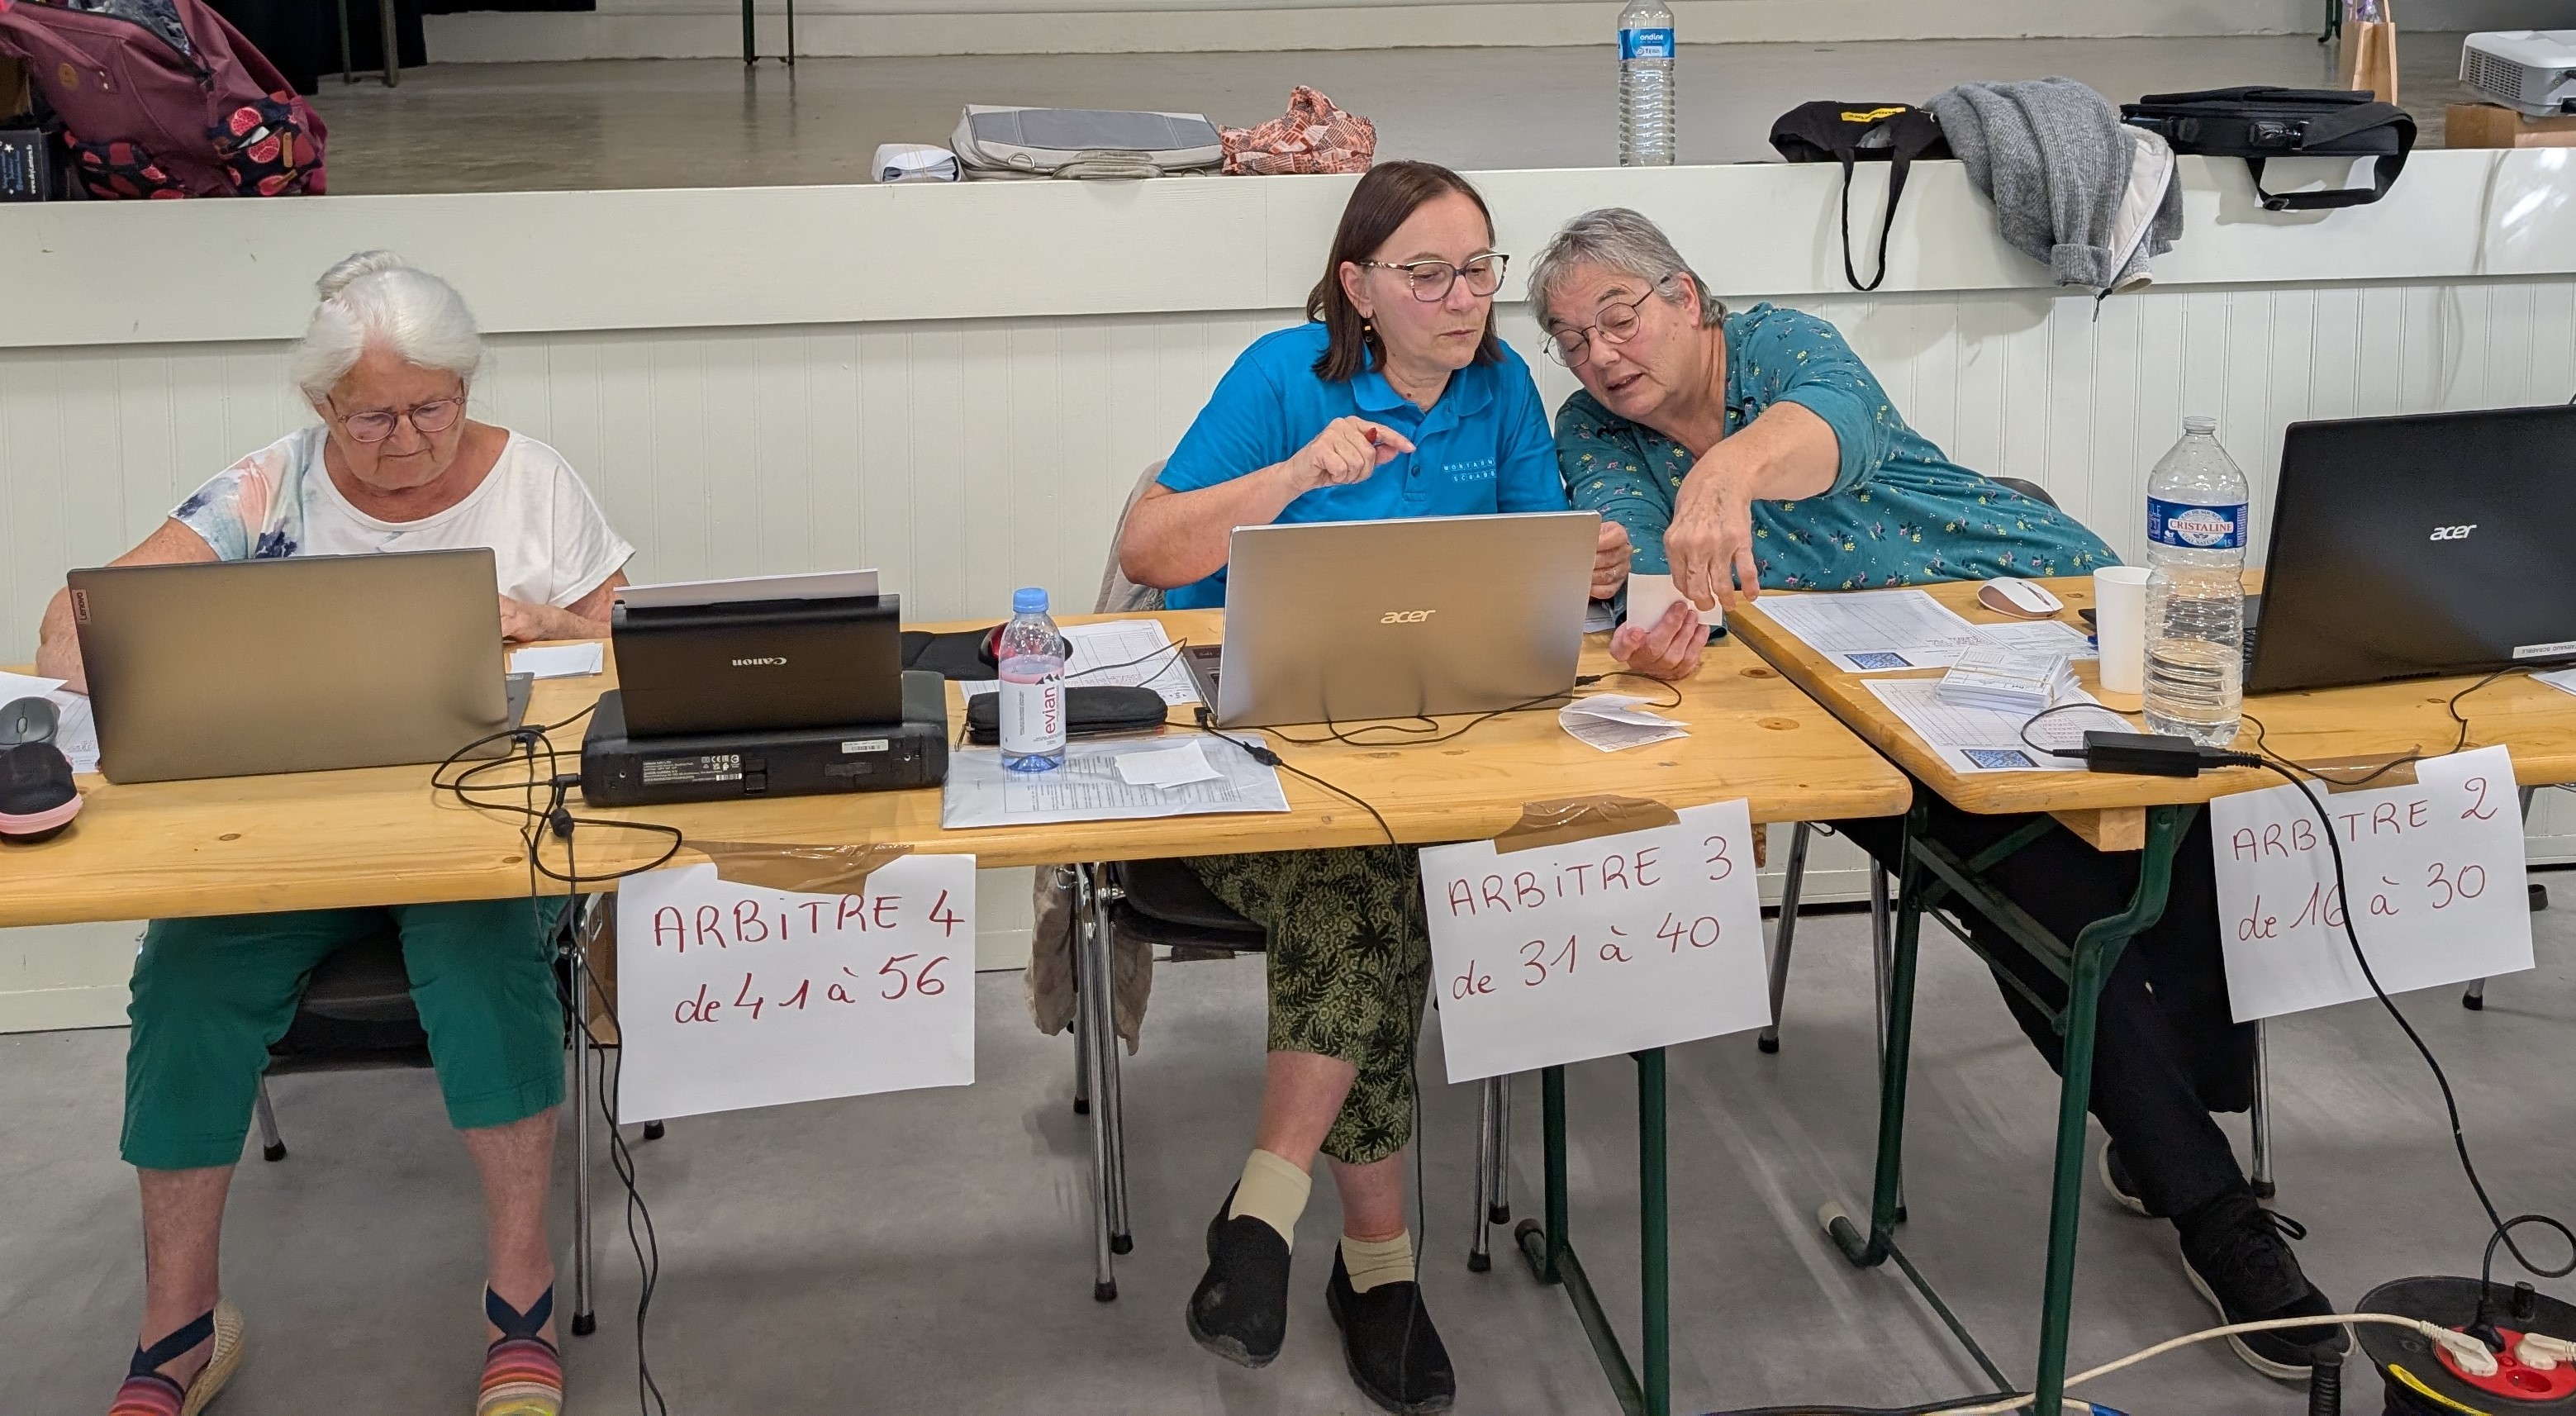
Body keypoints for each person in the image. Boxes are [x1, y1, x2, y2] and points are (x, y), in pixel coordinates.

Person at [1528, 207, 2344, 1384]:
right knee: (2053, 903)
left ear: (1687, 296)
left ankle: (2169, 1117)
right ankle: (2214, 1210)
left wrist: (1726, 468)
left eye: (1618, 318)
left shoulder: (1780, 345)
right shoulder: (1592, 430)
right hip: (1857, 712)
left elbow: (1839, 433)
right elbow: (1660, 575)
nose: (1600, 356)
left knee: (2206, 799)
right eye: (1570, 340)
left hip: (2027, 605)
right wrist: (1646, 616)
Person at [1116, 163, 1689, 1416]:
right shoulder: (1283, 376)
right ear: (1358, 286)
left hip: (1442, 757)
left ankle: (1268, 1214)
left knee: (1379, 869)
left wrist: (1594, 569)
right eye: (1426, 274)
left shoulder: (1502, 388)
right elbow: (1147, 550)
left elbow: (1544, 585)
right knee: (1369, 883)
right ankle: (1374, 1268)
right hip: (1246, 763)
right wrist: (1294, 476)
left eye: (1478, 268)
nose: (1463, 296)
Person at [37, 251, 633, 1416]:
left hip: (480, 832)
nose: (408, 440)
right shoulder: (270, 488)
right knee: (187, 976)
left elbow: (625, 656)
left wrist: (545, 620)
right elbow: (75, 627)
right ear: (322, 404)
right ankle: (180, 1327)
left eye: (433, 408)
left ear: (465, 387)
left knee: (484, 961)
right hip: (294, 840)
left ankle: (519, 1299)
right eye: (372, 417)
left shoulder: (535, 480)